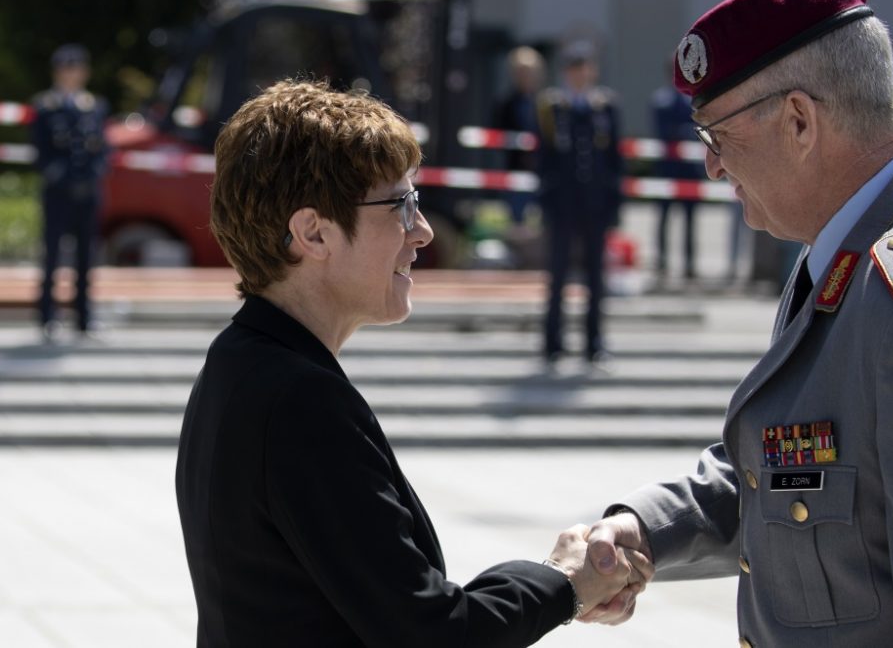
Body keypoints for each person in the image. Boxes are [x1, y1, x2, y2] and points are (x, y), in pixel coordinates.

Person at [580, 0, 893, 646]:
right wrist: (646, 528)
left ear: (799, 121)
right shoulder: (847, 256)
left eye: (717, 138)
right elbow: (797, 471)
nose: (713, 167)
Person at [175, 80, 651, 646]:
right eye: (400, 205)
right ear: (313, 233)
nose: (422, 231)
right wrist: (564, 581)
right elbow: (430, 632)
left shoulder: (242, 360)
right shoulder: (299, 398)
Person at [535, 40, 623, 365]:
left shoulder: (605, 106)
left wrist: (615, 204)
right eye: (573, 69)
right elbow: (543, 159)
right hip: (562, 204)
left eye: (583, 68)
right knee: (557, 275)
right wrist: (545, 200)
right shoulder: (553, 107)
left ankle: (593, 342)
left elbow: (614, 160)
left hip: (595, 203)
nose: (579, 76)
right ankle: (552, 343)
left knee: (595, 278)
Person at [31, 44, 109, 339]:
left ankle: (84, 318)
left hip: (87, 191)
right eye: (66, 69)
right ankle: (47, 316)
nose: (71, 75)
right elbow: (41, 151)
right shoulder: (45, 106)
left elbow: (102, 147)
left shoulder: (94, 105)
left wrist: (95, 173)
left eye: (76, 69)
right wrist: (60, 175)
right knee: (52, 254)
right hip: (58, 192)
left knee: (85, 256)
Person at [649, 64, 701, 284]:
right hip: (668, 170)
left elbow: (699, 128)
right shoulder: (661, 100)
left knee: (691, 220)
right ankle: (661, 261)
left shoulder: (695, 101)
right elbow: (663, 131)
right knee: (663, 217)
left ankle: (689, 263)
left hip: (690, 171)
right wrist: (684, 132)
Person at [494, 45, 546, 224]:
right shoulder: (506, 104)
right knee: (516, 222)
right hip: (515, 171)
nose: (525, 76)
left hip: (544, 172)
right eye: (521, 71)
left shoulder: (547, 103)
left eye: (530, 71)